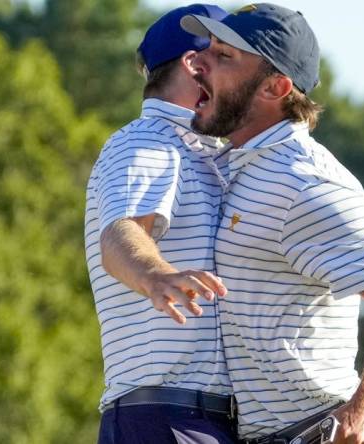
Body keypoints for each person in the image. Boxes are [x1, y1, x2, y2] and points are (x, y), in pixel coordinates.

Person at [180, 4, 364, 443]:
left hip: (318, 431)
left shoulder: (304, 180)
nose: (198, 63)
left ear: (275, 87)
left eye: (224, 58)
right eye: (210, 49)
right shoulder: (236, 165)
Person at [84, 4, 238, 443]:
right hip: (168, 416)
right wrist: (157, 275)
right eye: (231, 56)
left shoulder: (203, 148)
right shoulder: (151, 140)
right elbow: (120, 233)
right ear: (196, 64)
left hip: (189, 417)